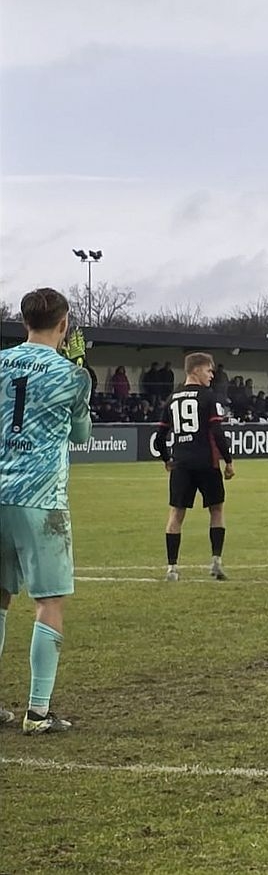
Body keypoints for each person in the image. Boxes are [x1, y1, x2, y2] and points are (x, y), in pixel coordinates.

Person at [0, 288, 92, 734]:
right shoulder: (72, 376)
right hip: (40, 498)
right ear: (64, 324)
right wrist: (79, 376)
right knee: (49, 601)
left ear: (24, 323)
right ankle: (37, 713)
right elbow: (81, 434)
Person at [155, 353, 235, 581]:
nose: (212, 375)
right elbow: (217, 432)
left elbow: (160, 437)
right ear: (196, 370)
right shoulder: (209, 398)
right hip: (207, 462)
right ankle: (216, 562)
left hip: (181, 463)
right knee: (216, 510)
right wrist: (228, 461)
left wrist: (167, 459)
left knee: (176, 514)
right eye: (209, 370)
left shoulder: (172, 398)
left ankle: (172, 568)